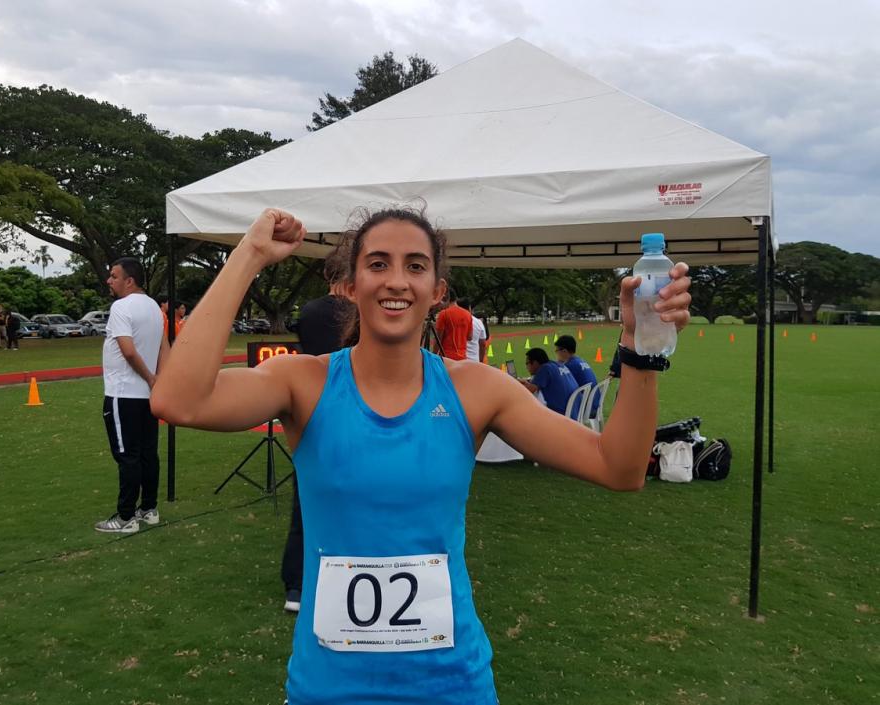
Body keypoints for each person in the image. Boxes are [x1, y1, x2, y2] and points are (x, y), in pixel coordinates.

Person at [151, 207, 692, 704]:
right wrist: (248, 255)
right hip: (328, 688)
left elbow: (618, 468)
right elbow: (178, 400)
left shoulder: (475, 390)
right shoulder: (304, 382)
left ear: (437, 290)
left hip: (451, 685)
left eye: (415, 266)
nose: (396, 280)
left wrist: (640, 348)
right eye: (378, 263)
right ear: (350, 285)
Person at [282, 249, 353, 614]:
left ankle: (296, 584)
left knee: (306, 497)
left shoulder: (308, 312)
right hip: (352, 405)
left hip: (313, 407)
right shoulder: (358, 312)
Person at [95, 257, 167, 534]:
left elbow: (127, 350)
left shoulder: (121, 307)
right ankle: (149, 509)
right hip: (146, 396)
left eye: (113, 276)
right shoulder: (153, 307)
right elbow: (163, 348)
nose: (109, 280)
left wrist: (150, 377)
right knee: (148, 453)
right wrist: (158, 381)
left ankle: (126, 517)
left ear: (129, 280)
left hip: (122, 393)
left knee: (128, 456)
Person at [518, 347, 578, 417]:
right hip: (573, 410)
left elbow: (530, 390)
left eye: (527, 363)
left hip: (561, 412)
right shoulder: (555, 364)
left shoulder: (544, 369)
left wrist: (514, 383)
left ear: (535, 363)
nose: (526, 367)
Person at [554, 334, 599, 418]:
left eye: (557, 350)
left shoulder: (570, 366)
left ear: (564, 351)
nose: (556, 353)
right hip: (594, 405)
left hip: (584, 409)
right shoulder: (580, 361)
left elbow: (557, 385)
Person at [434, 289, 471, 360]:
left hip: (446, 357)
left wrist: (433, 355)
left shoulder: (443, 314)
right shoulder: (467, 314)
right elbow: (469, 336)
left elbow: (438, 339)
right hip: (462, 357)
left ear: (446, 299)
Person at [458, 298, 486, 363]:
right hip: (474, 360)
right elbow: (483, 344)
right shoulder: (478, 322)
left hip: (458, 360)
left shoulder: (453, 321)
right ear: (469, 307)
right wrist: (481, 361)